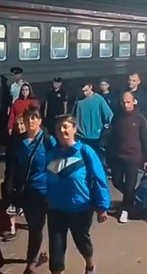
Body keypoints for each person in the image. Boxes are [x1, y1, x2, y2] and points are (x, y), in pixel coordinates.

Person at [46, 115, 110, 274]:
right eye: (59, 128)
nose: (62, 130)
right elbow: (44, 177)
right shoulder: (51, 154)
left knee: (82, 241)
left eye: (66, 126)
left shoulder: (85, 151)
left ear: (74, 129)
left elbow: (99, 178)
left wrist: (102, 206)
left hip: (80, 208)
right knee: (56, 249)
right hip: (56, 208)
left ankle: (90, 265)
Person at [6, 106, 55, 273]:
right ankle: (33, 260)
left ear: (40, 121)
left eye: (34, 118)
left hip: (48, 192)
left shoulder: (48, 140)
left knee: (52, 228)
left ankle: (44, 262)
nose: (31, 121)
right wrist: (9, 187)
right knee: (35, 227)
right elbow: (12, 166)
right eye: (28, 119)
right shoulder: (19, 142)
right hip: (28, 192)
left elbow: (59, 164)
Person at [108, 92, 147, 223]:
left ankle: (125, 210)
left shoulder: (140, 119)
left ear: (134, 102)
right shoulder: (117, 117)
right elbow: (112, 136)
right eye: (123, 102)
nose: (125, 105)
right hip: (118, 155)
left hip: (133, 157)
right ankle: (133, 197)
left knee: (129, 185)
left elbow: (145, 140)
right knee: (116, 181)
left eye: (128, 102)